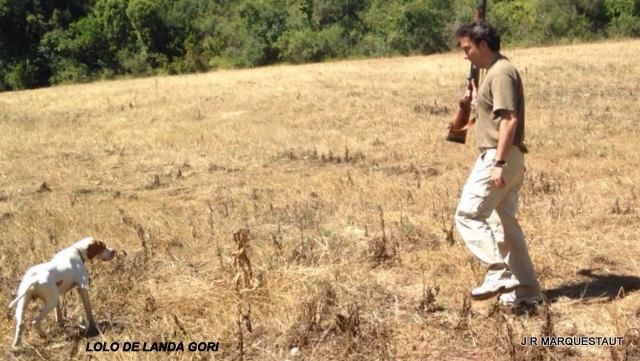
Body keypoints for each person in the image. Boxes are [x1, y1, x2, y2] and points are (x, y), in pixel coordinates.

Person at [451, 20, 542, 306]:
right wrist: (469, 103)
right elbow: (472, 124)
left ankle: (497, 272)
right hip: (507, 157)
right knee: (505, 227)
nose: (464, 55)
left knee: (468, 214)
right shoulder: (493, 72)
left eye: (467, 48)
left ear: (483, 45)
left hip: (499, 155)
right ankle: (527, 292)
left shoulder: (501, 73)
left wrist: (498, 163)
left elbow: (509, 120)